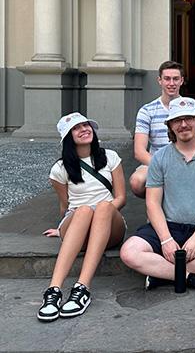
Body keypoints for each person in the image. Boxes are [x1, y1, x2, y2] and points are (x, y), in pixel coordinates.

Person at [120, 97, 195, 293]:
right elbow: (152, 203)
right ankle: (192, 277)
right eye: (177, 120)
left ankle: (162, 273)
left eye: (188, 118)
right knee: (129, 252)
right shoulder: (160, 158)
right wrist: (166, 240)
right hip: (168, 226)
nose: (183, 125)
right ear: (170, 125)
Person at [37, 113, 126, 322]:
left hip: (109, 223)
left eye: (87, 125)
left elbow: (121, 198)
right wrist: (62, 229)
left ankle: (82, 288)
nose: (85, 129)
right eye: (77, 128)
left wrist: (100, 213)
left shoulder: (110, 157)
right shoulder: (59, 169)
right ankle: (53, 291)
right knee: (83, 210)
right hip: (79, 220)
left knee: (103, 207)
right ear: (68, 136)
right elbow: (65, 205)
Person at [130, 61, 195, 198]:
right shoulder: (147, 111)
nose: (171, 83)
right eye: (167, 79)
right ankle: (155, 202)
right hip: (157, 162)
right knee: (137, 181)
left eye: (176, 79)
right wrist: (164, 168)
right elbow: (139, 151)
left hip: (190, 161)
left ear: (182, 81)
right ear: (159, 80)